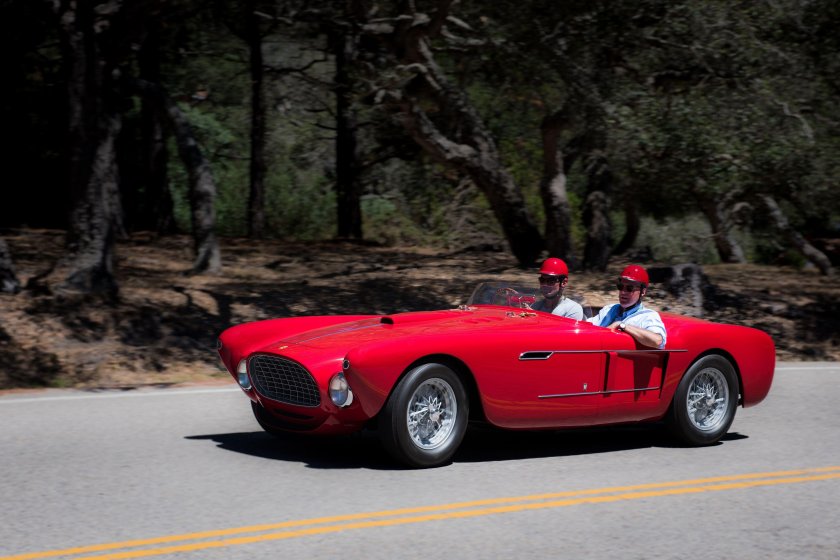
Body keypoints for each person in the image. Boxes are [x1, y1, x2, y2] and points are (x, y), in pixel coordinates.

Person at [587, 264, 667, 349]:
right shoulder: (609, 309)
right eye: (620, 287)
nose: (623, 292)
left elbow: (657, 341)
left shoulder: (648, 316)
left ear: (642, 292)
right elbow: (588, 326)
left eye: (629, 288)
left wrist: (622, 326)